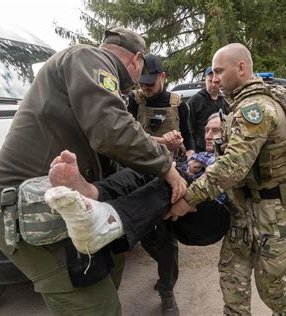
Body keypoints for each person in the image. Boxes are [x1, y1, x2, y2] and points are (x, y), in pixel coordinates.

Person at [0, 27, 186, 316]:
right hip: (30, 212)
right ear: (137, 59)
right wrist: (167, 168)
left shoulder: (95, 74)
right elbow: (111, 130)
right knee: (97, 308)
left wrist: (157, 153)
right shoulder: (88, 56)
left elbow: (115, 134)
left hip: (63, 207)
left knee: (109, 273)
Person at [168, 43, 286, 315]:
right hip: (244, 207)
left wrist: (188, 199)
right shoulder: (244, 102)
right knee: (232, 275)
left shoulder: (255, 108)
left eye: (220, 71)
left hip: (276, 211)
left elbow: (233, 164)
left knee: (271, 286)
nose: (215, 77)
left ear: (242, 68)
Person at [126, 54, 194, 316]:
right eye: (142, 83)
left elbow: (189, 142)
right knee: (141, 232)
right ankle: (165, 269)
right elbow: (129, 137)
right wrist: (163, 141)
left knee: (166, 237)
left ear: (163, 78)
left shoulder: (179, 104)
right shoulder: (134, 101)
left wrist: (186, 152)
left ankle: (167, 290)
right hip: (137, 175)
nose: (144, 88)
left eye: (150, 84)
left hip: (169, 178)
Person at [188, 66, 229, 152]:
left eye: (216, 82)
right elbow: (189, 128)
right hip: (200, 150)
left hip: (221, 149)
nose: (213, 85)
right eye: (210, 81)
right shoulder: (195, 100)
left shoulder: (224, 101)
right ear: (205, 80)